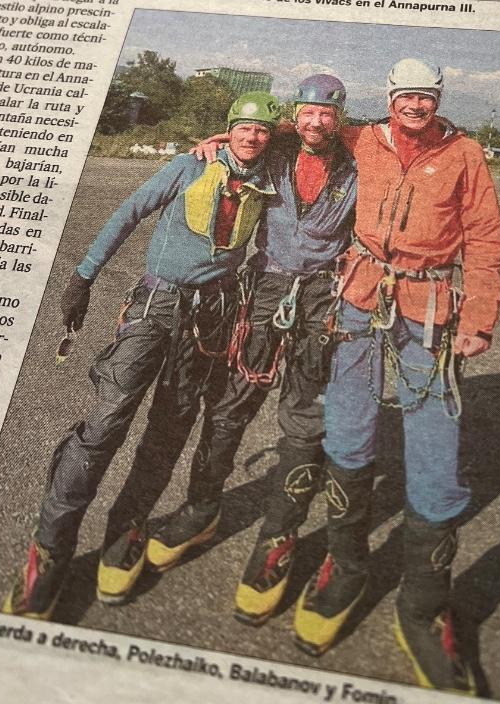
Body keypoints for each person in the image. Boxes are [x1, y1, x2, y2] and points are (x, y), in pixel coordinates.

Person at [2, 91, 281, 620]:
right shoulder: (188, 166)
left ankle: (126, 532)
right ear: (228, 129)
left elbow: (316, 133)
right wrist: (84, 276)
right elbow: (128, 213)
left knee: (169, 429)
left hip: (211, 317)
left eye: (262, 130)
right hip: (155, 305)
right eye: (241, 128)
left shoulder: (268, 178)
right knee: (104, 426)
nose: (251, 137)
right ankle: (50, 551)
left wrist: (253, 135)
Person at [292, 58, 500, 695]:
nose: (416, 104)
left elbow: (487, 239)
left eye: (427, 96)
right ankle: (347, 565)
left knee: (435, 446)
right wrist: (222, 140)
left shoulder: (463, 153)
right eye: (407, 95)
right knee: (348, 427)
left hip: (432, 303)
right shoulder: (363, 137)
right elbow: (302, 131)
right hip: (360, 294)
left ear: (438, 100)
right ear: (391, 99)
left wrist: (481, 316)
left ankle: (423, 606)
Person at [145, 74, 358, 628]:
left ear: (340, 118)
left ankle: (278, 538)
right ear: (296, 116)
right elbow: (251, 136)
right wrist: (217, 137)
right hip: (264, 286)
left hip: (321, 295)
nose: (315, 122)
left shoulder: (360, 157)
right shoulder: (278, 145)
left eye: (326, 114)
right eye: (306, 113)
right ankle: (202, 508)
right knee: (230, 401)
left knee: (304, 417)